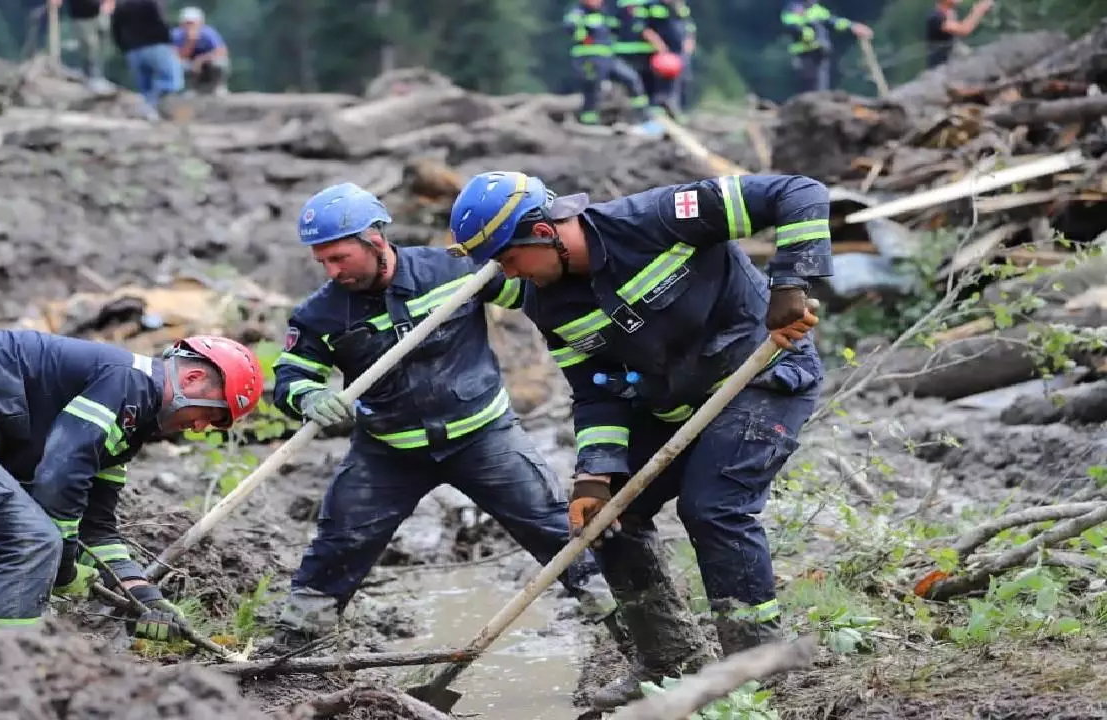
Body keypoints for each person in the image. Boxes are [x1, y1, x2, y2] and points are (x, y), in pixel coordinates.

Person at [446, 171, 832, 709]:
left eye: (508, 259)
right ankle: (669, 660)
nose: (508, 277)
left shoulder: (660, 217)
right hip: (672, 404)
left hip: (760, 376)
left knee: (714, 507)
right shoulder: (546, 302)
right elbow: (595, 390)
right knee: (608, 521)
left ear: (543, 231)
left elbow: (799, 192)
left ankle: (759, 666)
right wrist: (595, 475)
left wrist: (790, 284)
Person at [269, 182, 617, 648]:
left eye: (340, 258)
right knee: (340, 541)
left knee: (554, 527)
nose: (333, 271)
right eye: (323, 262)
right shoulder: (321, 314)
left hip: (484, 437)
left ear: (375, 241)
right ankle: (295, 641)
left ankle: (623, 622)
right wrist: (308, 396)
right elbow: (292, 376)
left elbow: (537, 285)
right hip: (389, 450)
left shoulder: (456, 270)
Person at [0, 330, 263, 637]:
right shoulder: (128, 380)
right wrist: (65, 565)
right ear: (190, 380)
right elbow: (60, 471)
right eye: (212, 413)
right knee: (31, 539)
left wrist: (144, 596)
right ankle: (2, 685)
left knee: (36, 535)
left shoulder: (127, 424)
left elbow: (97, 526)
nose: (203, 428)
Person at [564, 0, 651, 128]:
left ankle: (642, 117)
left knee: (632, 79)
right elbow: (571, 28)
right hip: (589, 58)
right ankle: (589, 122)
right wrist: (584, 38)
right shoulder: (577, 13)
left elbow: (617, 28)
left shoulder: (605, 13)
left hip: (608, 58)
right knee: (593, 90)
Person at [110, 0, 184, 120]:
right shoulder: (153, 2)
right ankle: (152, 106)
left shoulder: (122, 4)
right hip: (156, 46)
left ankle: (150, 112)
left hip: (133, 50)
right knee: (171, 81)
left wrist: (124, 48)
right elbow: (161, 21)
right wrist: (170, 41)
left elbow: (115, 29)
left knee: (145, 87)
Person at [781, 0, 872, 94]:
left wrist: (852, 26)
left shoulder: (816, 9)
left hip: (821, 53)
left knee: (821, 86)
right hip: (805, 55)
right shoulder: (793, 8)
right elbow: (791, 26)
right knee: (809, 87)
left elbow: (833, 21)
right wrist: (806, 33)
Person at [49, 0, 115, 93]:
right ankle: (92, 78)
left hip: (99, 11)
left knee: (103, 43)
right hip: (81, 16)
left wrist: (109, 2)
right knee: (89, 46)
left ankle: (100, 76)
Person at [172, 7, 231, 96]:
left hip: (206, 63)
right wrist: (190, 42)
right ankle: (189, 89)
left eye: (192, 23)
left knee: (220, 62)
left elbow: (221, 51)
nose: (190, 26)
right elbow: (175, 55)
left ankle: (217, 87)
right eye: (187, 23)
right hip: (188, 64)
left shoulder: (208, 33)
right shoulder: (176, 35)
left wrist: (201, 60)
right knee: (178, 65)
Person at [926, 0, 994, 69]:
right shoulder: (935, 17)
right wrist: (979, 10)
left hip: (954, 62)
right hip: (941, 69)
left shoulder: (951, 13)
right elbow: (963, 30)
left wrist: (980, 13)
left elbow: (969, 24)